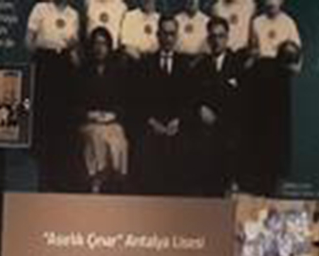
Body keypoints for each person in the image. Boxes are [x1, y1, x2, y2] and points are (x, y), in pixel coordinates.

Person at [27, 0, 84, 192]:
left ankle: (61, 181)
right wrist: (43, 50)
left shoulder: (73, 14)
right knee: (45, 123)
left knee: (63, 124)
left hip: (65, 70)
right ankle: (44, 180)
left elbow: (75, 53)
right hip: (45, 65)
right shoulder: (40, 9)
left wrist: (74, 52)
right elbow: (28, 42)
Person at [135, 16, 194, 195]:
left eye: (172, 34)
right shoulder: (145, 64)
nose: (168, 38)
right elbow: (138, 100)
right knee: (145, 147)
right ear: (158, 35)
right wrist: (152, 122)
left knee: (185, 147)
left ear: (176, 36)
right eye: (164, 34)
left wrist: (178, 121)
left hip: (177, 126)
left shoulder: (185, 65)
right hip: (152, 125)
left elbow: (189, 100)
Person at [190, 16, 244, 195]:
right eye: (213, 37)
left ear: (227, 38)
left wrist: (223, 119)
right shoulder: (199, 66)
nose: (216, 41)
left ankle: (231, 185)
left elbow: (243, 101)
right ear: (208, 39)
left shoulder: (238, 64)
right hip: (206, 127)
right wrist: (200, 108)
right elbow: (193, 97)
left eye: (221, 36)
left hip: (231, 126)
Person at [76, 27, 132, 192]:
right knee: (97, 135)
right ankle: (96, 181)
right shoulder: (82, 72)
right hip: (89, 122)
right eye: (96, 44)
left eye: (104, 44)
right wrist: (89, 114)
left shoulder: (117, 72)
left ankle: (113, 180)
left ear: (109, 47)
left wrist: (112, 115)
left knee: (118, 137)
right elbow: (74, 103)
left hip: (111, 121)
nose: (100, 48)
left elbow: (124, 102)